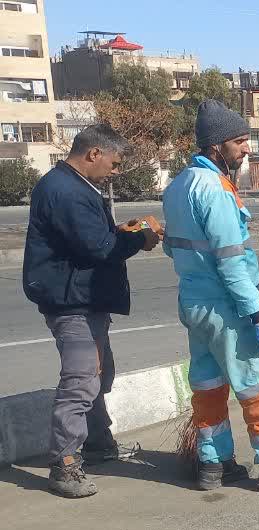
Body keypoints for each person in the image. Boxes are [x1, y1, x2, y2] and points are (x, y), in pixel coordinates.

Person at [162, 100, 259, 491]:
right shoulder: (214, 190)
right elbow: (231, 262)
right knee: (256, 385)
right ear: (216, 147)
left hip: (193, 304)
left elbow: (175, 247)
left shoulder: (179, 185)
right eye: (240, 141)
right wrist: (258, 313)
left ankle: (214, 465)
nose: (247, 148)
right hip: (225, 306)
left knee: (208, 384)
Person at [23, 125, 161, 498]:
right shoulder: (64, 190)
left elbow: (90, 238)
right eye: (114, 164)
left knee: (99, 374)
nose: (116, 172)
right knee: (82, 379)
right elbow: (98, 247)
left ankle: (99, 443)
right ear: (94, 153)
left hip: (86, 298)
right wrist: (140, 238)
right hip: (72, 303)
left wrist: (119, 231)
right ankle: (64, 465)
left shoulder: (75, 186)